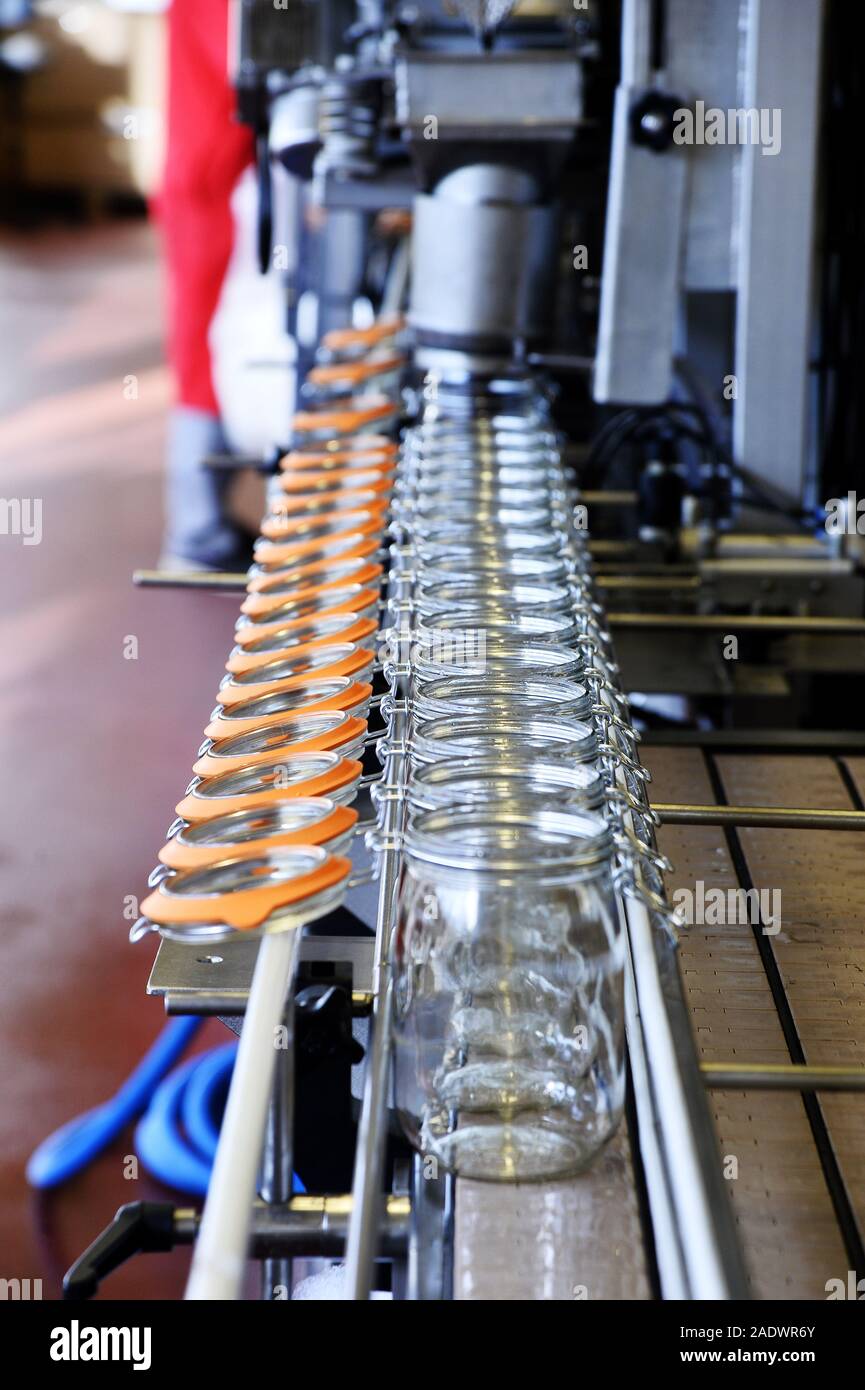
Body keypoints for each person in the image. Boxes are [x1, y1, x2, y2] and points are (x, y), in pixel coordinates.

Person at [156, 0, 254, 570]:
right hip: (209, 194)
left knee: (206, 356)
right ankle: (195, 536)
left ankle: (206, 523)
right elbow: (249, 71)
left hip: (211, 182)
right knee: (203, 365)